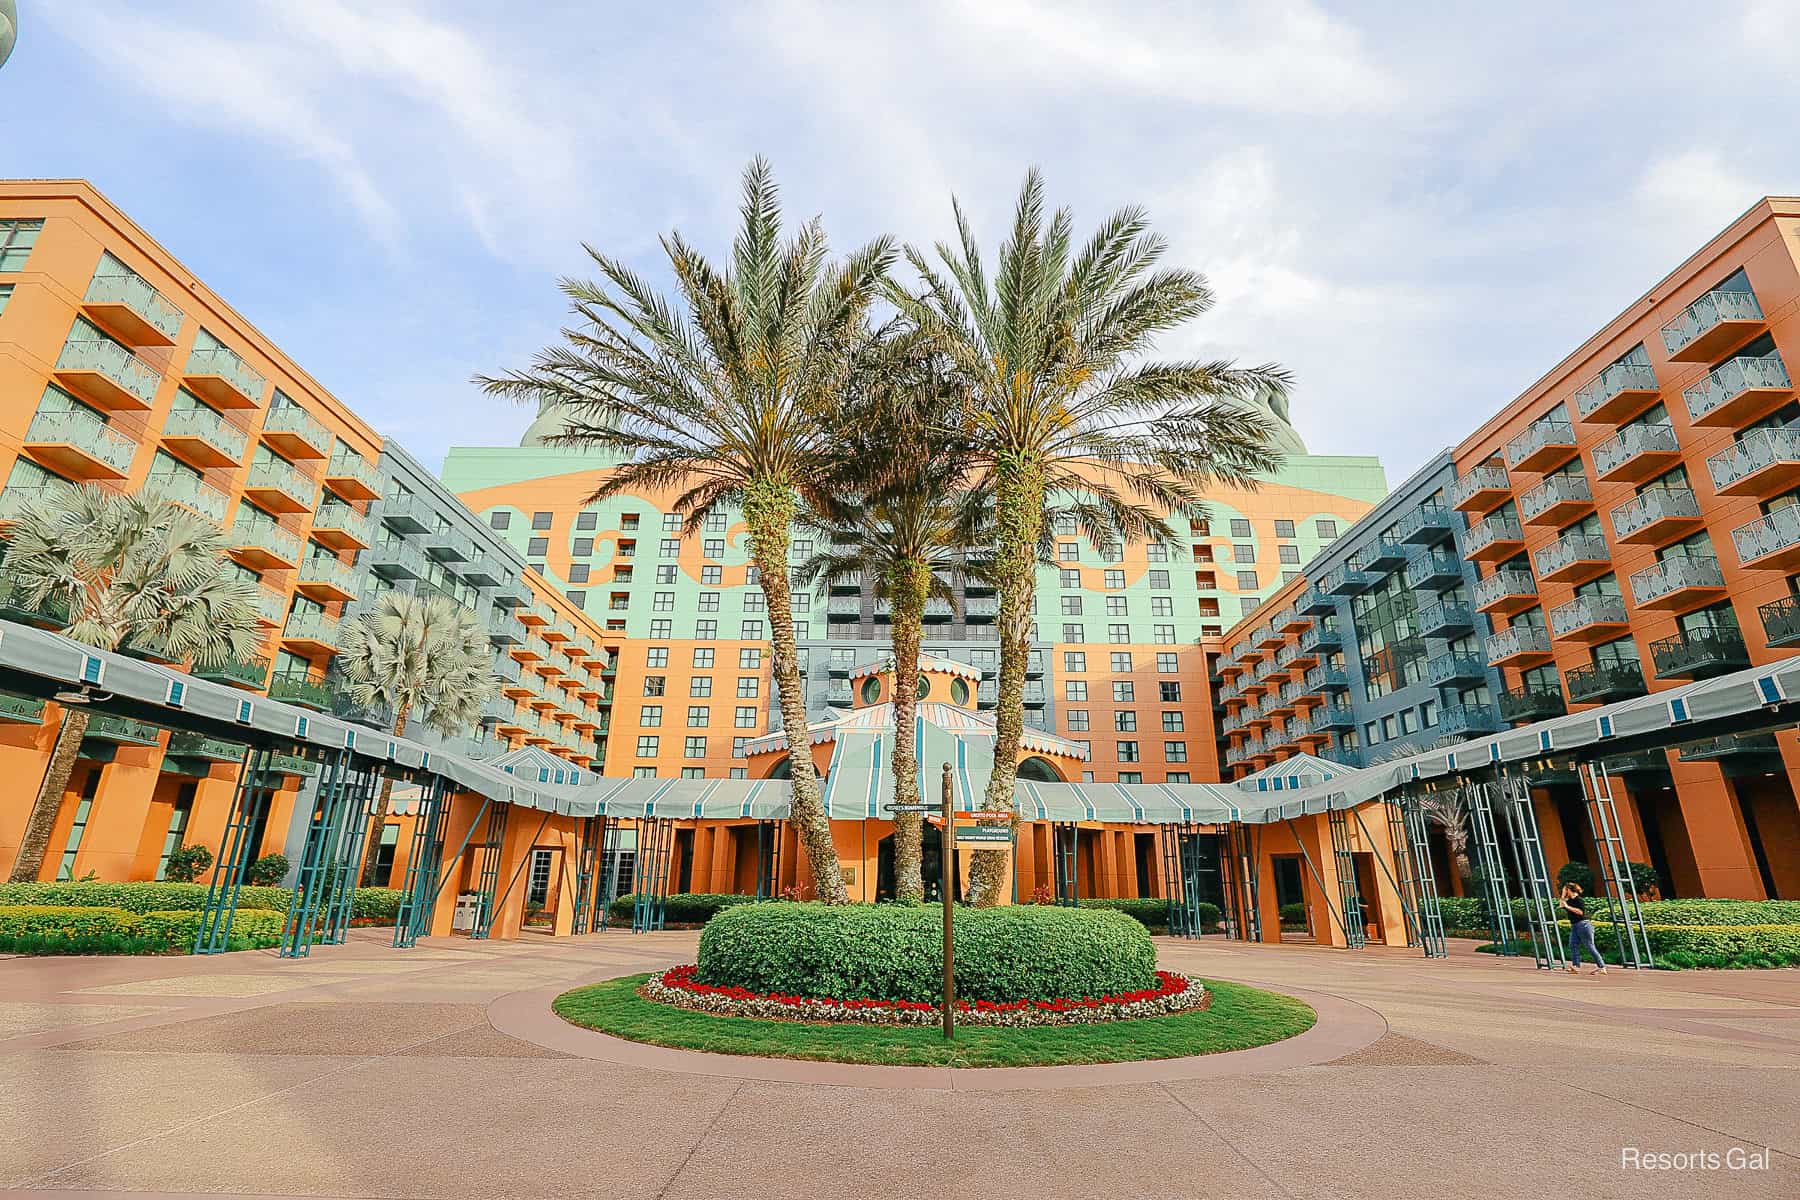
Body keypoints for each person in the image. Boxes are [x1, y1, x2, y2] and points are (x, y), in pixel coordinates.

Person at [1560, 881, 1606, 974]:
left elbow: (1580, 912)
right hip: (1575, 926)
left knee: (1589, 946)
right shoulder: (1569, 901)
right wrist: (1563, 895)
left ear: (1569, 890)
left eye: (1565, 890)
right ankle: (1576, 966)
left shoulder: (1579, 900)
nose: (1564, 892)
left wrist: (1568, 907)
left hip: (1583, 925)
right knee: (1573, 945)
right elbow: (1561, 905)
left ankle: (1602, 967)